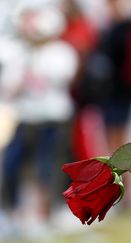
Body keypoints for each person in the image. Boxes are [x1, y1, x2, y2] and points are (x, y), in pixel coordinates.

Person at [0, 4, 78, 231]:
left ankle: (47, 213)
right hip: (25, 117)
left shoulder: (61, 52)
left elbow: (60, 79)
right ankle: (14, 214)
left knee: (49, 167)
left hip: (54, 117)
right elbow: (9, 88)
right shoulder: (18, 53)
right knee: (14, 166)